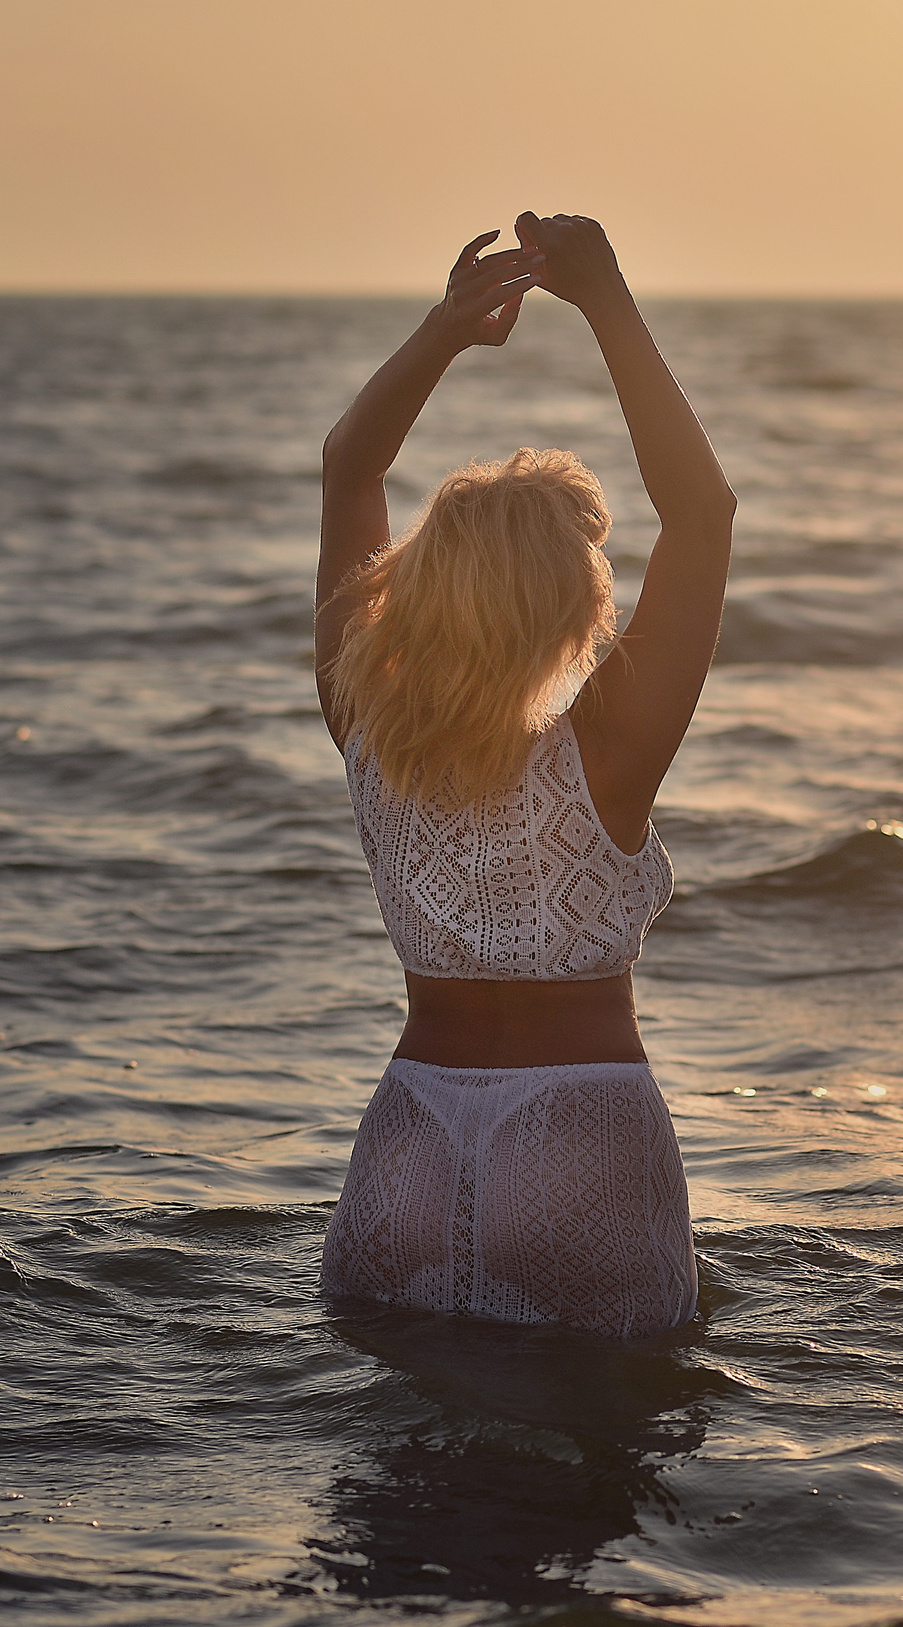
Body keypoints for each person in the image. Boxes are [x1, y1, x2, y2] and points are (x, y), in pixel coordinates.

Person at [312, 213, 734, 1338]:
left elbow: (349, 464)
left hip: (406, 1137)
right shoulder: (609, 750)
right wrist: (605, 299)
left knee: (392, 1485)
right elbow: (702, 512)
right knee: (601, 1469)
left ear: (416, 590)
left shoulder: (364, 724)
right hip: (580, 1134)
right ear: (571, 605)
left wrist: (446, 331)